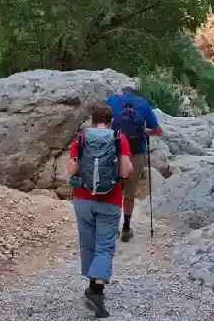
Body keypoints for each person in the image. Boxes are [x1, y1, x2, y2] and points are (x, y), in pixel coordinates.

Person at [66, 103, 133, 318]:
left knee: (88, 244)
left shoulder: (82, 138)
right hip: (110, 200)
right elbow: (124, 171)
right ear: (111, 121)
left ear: (92, 120)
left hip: (83, 200)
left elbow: (72, 169)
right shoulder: (118, 138)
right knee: (105, 245)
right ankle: (96, 290)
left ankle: (91, 282)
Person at [106, 86, 162, 242]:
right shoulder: (143, 104)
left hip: (115, 153)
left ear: (123, 93)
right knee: (129, 194)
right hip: (136, 154)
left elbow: (103, 125)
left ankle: (111, 228)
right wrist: (144, 132)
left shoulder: (112, 101)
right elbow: (158, 131)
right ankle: (126, 228)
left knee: (114, 190)